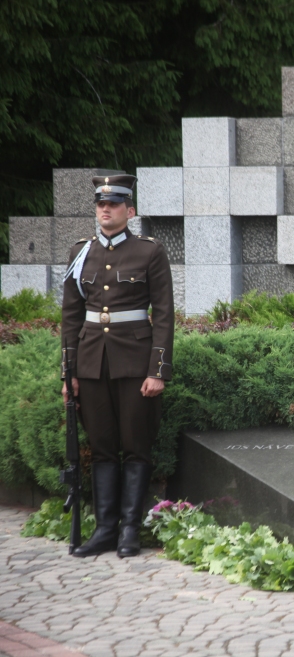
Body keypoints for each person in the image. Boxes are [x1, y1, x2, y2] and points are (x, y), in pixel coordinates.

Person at [61, 174, 174, 558]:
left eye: (113, 204)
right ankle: (106, 530)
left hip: (134, 362)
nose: (105, 209)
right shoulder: (81, 253)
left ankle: (130, 530)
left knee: (136, 447)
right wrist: (69, 374)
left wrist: (157, 370)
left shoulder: (149, 252)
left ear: (131, 210)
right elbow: (71, 319)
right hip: (93, 363)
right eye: (100, 204)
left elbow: (164, 314)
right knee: (103, 447)